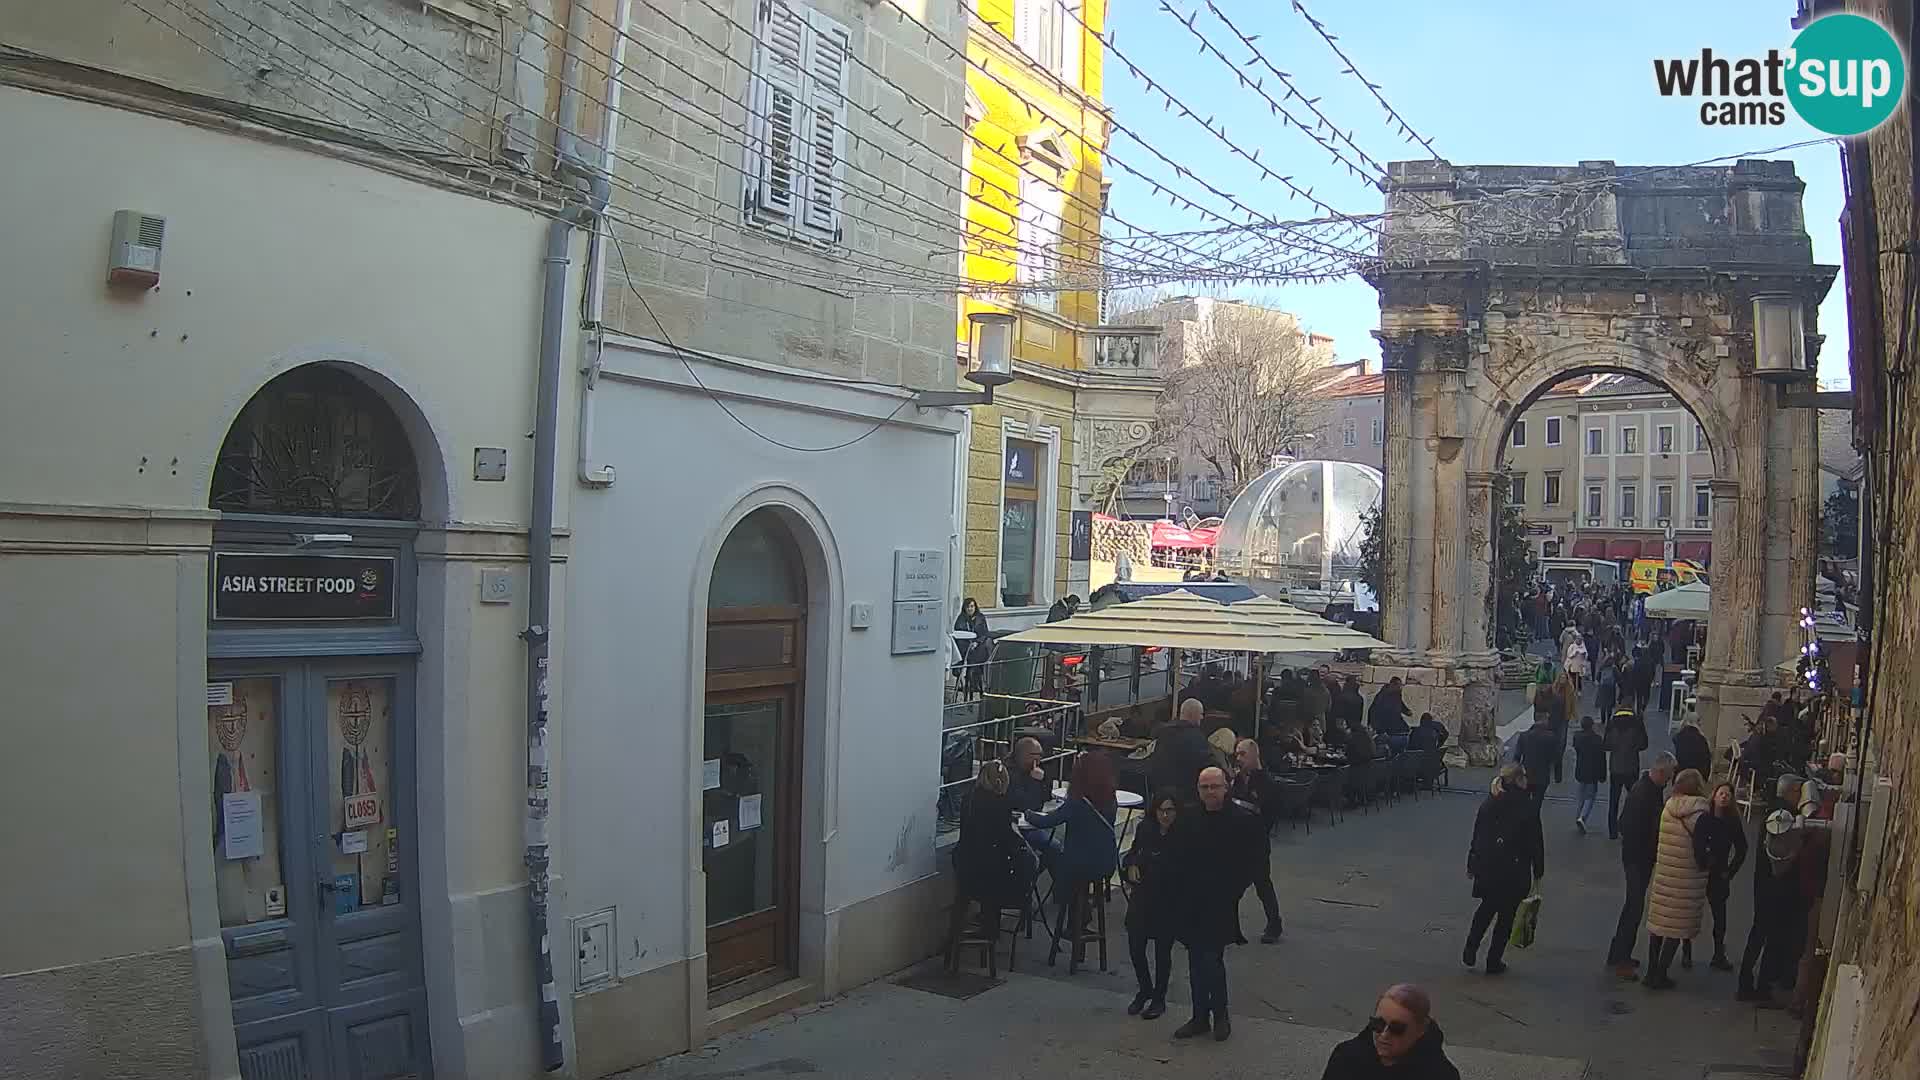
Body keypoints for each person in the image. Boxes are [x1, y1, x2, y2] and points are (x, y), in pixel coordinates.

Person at [1168, 766, 1258, 1042]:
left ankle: (1220, 1015)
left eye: (1214, 787)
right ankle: (1199, 1016)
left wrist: (1233, 891)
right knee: (1195, 961)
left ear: (1226, 787)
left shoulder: (1242, 819)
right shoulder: (1189, 818)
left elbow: (1252, 863)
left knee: (1212, 960)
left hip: (1220, 901)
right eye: (1204, 787)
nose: (1209, 792)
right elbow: (1177, 855)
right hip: (1191, 901)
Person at [1020, 753, 1120, 942]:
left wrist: (1027, 813)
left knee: (1058, 860)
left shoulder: (1077, 802)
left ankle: (1075, 917)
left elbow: (1048, 821)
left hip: (1079, 864)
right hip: (1106, 862)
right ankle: (1081, 916)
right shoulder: (1110, 799)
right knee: (1072, 872)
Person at [1463, 765, 1544, 975]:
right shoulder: (1527, 805)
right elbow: (1535, 841)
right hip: (1515, 870)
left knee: (1486, 908)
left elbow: (1478, 834)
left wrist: (1473, 863)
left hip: (1490, 866)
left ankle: (1471, 947)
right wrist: (1539, 868)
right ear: (1517, 780)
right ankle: (1493, 959)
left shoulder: (1491, 801)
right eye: (1524, 776)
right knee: (1506, 917)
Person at [946, 761, 1025, 971]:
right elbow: (1005, 839)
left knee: (978, 889)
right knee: (1007, 878)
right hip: (987, 873)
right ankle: (991, 931)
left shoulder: (968, 800)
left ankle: (963, 937)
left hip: (964, 866)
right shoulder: (1000, 803)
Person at [1608, 751, 1676, 979]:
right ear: (1659, 772)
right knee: (1634, 908)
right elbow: (1627, 825)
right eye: (1668, 777)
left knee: (1632, 907)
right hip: (1637, 858)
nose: (1669, 782)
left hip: (1638, 857)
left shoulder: (1649, 790)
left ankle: (1617, 953)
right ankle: (1621, 959)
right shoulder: (1643, 793)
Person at [1642, 768, 1711, 990]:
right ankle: (1661, 973)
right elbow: (1700, 852)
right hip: (1686, 877)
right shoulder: (1700, 815)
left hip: (1665, 873)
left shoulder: (1668, 808)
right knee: (1676, 926)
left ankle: (1651, 971)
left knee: (1659, 924)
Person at [1319, 984, 1461, 1080]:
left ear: (1420, 1031)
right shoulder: (1346, 1057)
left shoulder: (1442, 1075)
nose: (1384, 1035)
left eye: (1397, 1029)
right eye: (1378, 1023)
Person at [1739, 810, 1807, 1005]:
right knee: (1772, 942)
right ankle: (1763, 988)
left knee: (1757, 937)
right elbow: (1781, 865)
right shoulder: (1784, 822)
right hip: (1777, 896)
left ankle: (1746, 982)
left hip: (1762, 892)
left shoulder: (1770, 818)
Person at [1122, 794, 1180, 1019]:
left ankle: (1159, 997)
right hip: (1143, 897)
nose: (1165, 815)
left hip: (1167, 900)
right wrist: (1132, 865)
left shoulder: (1181, 837)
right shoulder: (1146, 830)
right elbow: (1133, 854)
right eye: (1161, 811)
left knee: (1162, 952)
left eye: (1170, 810)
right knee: (1136, 946)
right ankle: (1144, 988)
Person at [1684, 781, 1747, 972]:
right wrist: (1703, 861)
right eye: (1721, 793)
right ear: (1714, 795)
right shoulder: (1705, 818)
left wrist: (1730, 870)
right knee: (1691, 913)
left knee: (1720, 917)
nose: (1724, 797)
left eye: (1728, 794)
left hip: (1719, 873)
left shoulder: (1732, 822)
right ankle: (1686, 952)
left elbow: (1742, 848)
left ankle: (1719, 953)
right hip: (1702, 871)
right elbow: (1697, 844)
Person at [1229, 740, 1284, 943]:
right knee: (1233, 888)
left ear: (1254, 755)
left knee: (1262, 885)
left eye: (1243, 754)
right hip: (1237, 844)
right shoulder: (1238, 779)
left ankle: (1274, 923)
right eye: (1237, 754)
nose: (1238, 758)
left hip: (1257, 845)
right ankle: (1232, 928)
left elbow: (1269, 815)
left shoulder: (1266, 783)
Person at [1149, 699, 1213, 803]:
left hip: (1161, 794)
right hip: (1186, 797)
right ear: (1193, 714)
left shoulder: (1163, 733)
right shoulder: (1196, 737)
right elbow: (1206, 764)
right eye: (1201, 714)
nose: (1202, 717)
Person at [1604, 706, 1649, 839]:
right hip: (1631, 768)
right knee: (1634, 799)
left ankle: (1612, 831)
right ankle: (1631, 826)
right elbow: (1643, 745)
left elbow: (1606, 745)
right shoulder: (1635, 728)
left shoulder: (1613, 727)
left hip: (1615, 769)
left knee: (1614, 801)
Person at [1513, 712, 1558, 808]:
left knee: (1524, 802)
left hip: (1526, 775)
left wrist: (1515, 776)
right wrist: (1558, 776)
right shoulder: (1551, 737)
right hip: (1542, 776)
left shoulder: (1524, 736)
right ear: (1545, 721)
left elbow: (1516, 757)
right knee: (1537, 803)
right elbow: (1555, 758)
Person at [1572, 715, 1607, 833]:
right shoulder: (1597, 740)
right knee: (1590, 797)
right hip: (1593, 772)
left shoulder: (1577, 737)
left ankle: (1578, 816)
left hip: (1581, 769)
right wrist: (1603, 775)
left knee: (1581, 796)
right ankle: (1583, 817)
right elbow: (1602, 759)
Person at [1006, 737, 1050, 815]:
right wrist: (1035, 781)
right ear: (1021, 755)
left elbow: (1047, 797)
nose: (1038, 758)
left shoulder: (1037, 768)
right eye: (1034, 754)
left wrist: (1043, 781)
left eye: (1040, 755)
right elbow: (1028, 805)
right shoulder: (1008, 773)